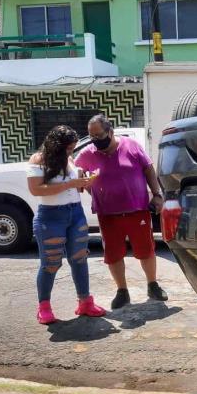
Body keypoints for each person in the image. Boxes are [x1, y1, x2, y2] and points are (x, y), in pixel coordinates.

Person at [75, 114, 168, 309]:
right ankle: (122, 291)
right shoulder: (88, 153)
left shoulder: (131, 146)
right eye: (92, 137)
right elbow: (73, 167)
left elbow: (148, 169)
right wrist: (80, 177)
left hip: (137, 210)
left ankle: (153, 285)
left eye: (99, 136)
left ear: (110, 131)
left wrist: (157, 195)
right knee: (113, 254)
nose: (95, 141)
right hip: (107, 214)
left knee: (146, 250)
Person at [27, 125, 107, 324]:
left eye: (72, 147)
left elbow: (72, 188)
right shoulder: (38, 160)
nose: (71, 151)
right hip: (51, 216)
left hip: (75, 213)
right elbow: (36, 189)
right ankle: (44, 307)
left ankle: (85, 302)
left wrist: (84, 183)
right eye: (68, 147)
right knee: (51, 263)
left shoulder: (69, 159)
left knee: (79, 258)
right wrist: (69, 184)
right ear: (56, 145)